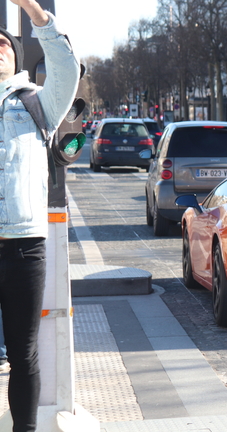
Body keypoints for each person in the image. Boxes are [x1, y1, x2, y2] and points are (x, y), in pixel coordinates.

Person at [0, 1, 80, 431]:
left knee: (22, 353)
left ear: (16, 56)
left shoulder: (35, 104)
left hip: (25, 246)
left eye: (4, 45)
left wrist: (35, 13)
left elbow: (67, 70)